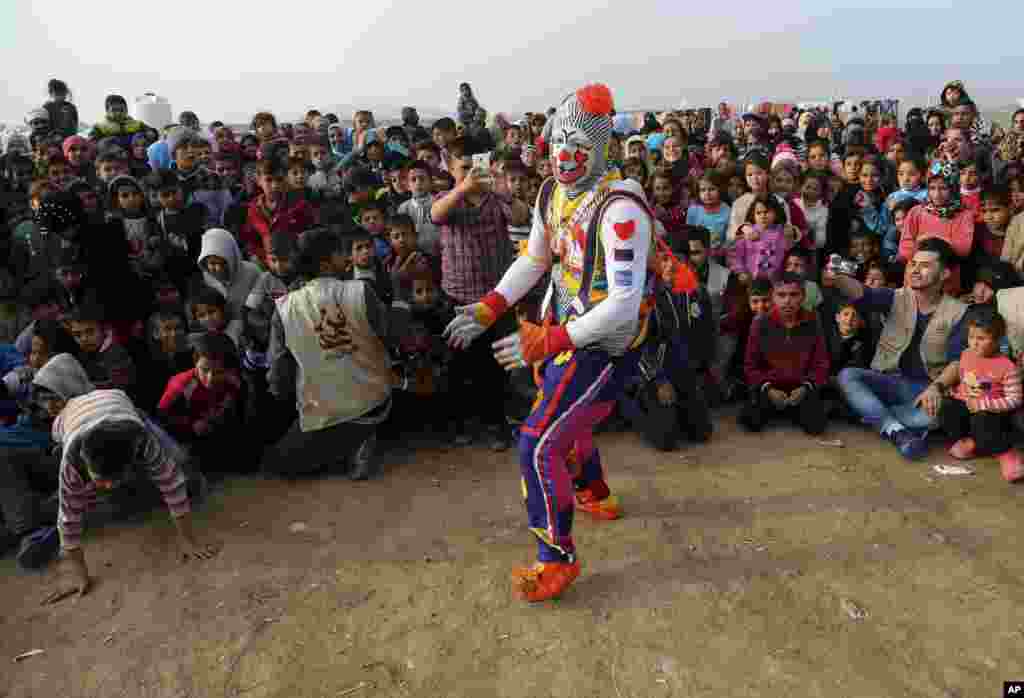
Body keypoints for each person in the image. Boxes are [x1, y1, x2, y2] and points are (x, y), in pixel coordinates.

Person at [443, 83, 693, 602]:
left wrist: (548, 340)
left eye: (579, 143)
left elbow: (622, 303)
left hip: (608, 344)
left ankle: (555, 559)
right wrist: (491, 305)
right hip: (565, 328)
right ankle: (593, 491)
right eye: (559, 140)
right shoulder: (551, 193)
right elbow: (536, 258)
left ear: (601, 149)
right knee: (561, 419)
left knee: (537, 442)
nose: (565, 154)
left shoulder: (621, 208)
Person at [262, 228, 405, 481]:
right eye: (341, 253)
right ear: (326, 264)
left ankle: (348, 446)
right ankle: (360, 442)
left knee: (276, 464)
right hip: (375, 403)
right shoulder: (361, 291)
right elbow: (393, 337)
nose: (348, 258)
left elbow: (277, 377)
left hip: (324, 413)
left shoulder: (284, 308)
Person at [430, 140, 530, 449]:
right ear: (451, 168)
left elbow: (520, 216)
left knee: (496, 367)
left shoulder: (497, 199)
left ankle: (496, 426)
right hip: (458, 298)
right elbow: (436, 214)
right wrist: (462, 188)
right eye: (464, 169)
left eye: (477, 168)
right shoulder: (448, 198)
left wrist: (500, 190)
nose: (473, 175)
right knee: (459, 366)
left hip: (495, 300)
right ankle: (459, 424)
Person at [828, 238, 968, 460]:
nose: (915, 270)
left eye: (925, 265)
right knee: (848, 375)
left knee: (934, 416)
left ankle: (871, 414)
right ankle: (897, 430)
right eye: (913, 264)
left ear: (944, 274)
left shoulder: (959, 311)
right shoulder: (895, 297)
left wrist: (936, 388)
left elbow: (958, 360)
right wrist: (838, 278)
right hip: (888, 381)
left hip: (923, 391)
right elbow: (863, 293)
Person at [931, 310, 1023, 481]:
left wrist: (984, 405)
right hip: (968, 406)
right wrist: (955, 391)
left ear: (997, 340)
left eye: (981, 339)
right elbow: (965, 380)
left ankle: (1006, 454)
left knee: (983, 420)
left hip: (991, 414)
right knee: (947, 408)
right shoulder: (966, 354)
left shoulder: (1008, 367)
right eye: (971, 337)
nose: (974, 343)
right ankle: (973, 442)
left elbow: (1015, 399)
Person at [739, 273, 829, 435]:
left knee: (816, 426)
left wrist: (806, 388)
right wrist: (768, 389)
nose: (787, 301)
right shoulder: (760, 323)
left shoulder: (813, 321)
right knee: (750, 421)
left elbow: (821, 364)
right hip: (770, 387)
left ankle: (795, 410)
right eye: (781, 295)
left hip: (800, 388)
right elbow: (750, 366)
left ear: (803, 297)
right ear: (773, 296)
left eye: (794, 295)